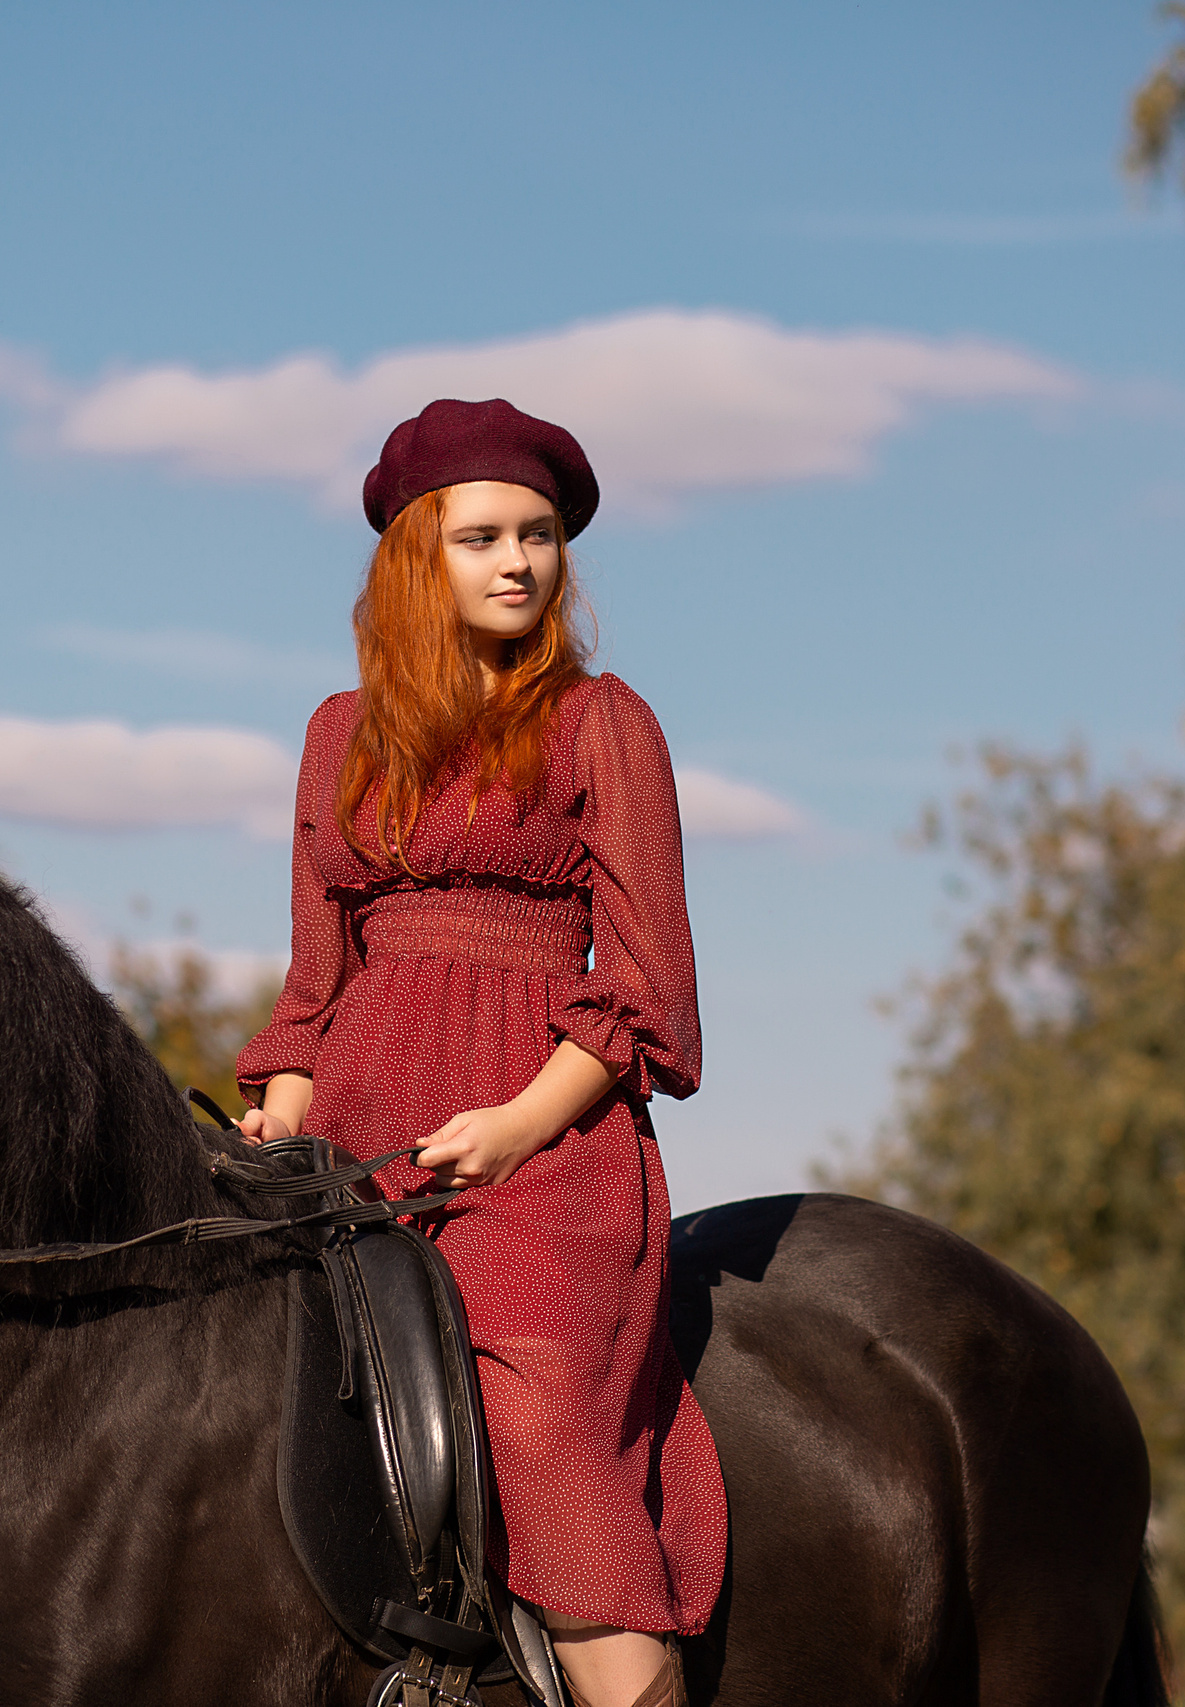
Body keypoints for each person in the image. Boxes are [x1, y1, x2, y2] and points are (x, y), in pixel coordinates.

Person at [235, 398, 724, 1707]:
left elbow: (644, 984)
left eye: (542, 535)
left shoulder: (601, 722)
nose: (520, 562)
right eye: (484, 538)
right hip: (358, 1129)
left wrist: (515, 1125)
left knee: (542, 1421)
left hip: (543, 1142)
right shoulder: (340, 733)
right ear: (415, 560)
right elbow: (317, 966)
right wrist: (283, 1105)